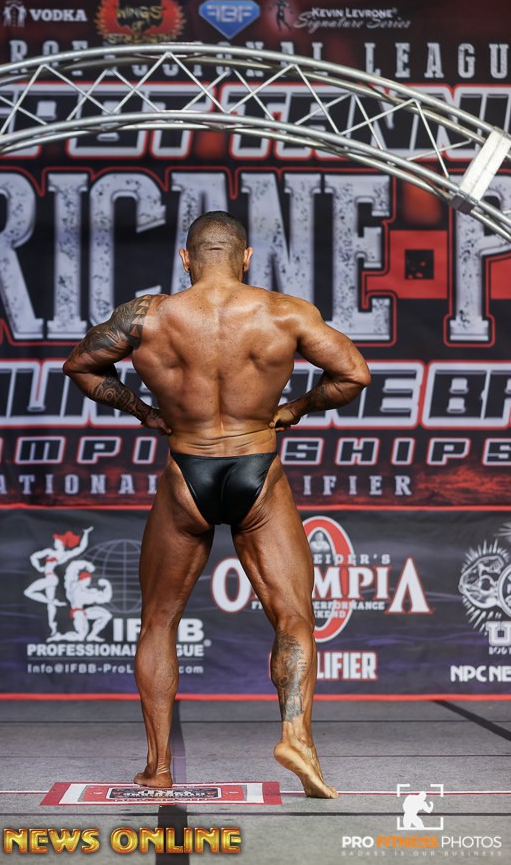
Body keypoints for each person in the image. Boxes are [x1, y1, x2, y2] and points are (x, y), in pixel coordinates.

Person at [63, 211, 371, 799]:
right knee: (294, 616)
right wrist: (294, 409)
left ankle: (158, 766)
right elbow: (354, 374)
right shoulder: (284, 312)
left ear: (186, 258)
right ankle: (296, 737)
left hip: (187, 472)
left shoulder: (148, 316)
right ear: (246, 256)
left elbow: (80, 365)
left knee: (159, 620)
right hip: (258, 471)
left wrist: (143, 411)